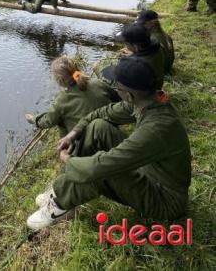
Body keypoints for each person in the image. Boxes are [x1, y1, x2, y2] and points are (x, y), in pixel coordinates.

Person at [26, 57, 191, 230]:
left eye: (117, 87)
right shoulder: (147, 101)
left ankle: (60, 204)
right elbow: (101, 113)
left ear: (128, 95)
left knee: (101, 172)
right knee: (99, 127)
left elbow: (98, 167)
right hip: (151, 171)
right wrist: (74, 133)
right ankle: (64, 188)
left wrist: (68, 160)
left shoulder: (156, 129)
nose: (115, 90)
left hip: (164, 201)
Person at [25, 55, 120, 138]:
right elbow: (117, 98)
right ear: (76, 69)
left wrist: (33, 119)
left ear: (59, 80)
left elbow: (48, 121)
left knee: (60, 119)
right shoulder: (97, 83)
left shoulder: (62, 100)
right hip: (111, 134)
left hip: (87, 146)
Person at [94, 23, 165, 89]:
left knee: (97, 66)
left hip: (139, 92)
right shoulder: (156, 47)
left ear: (135, 46)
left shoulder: (136, 64)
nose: (125, 45)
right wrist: (135, 54)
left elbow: (124, 76)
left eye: (126, 44)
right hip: (154, 84)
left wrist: (131, 59)